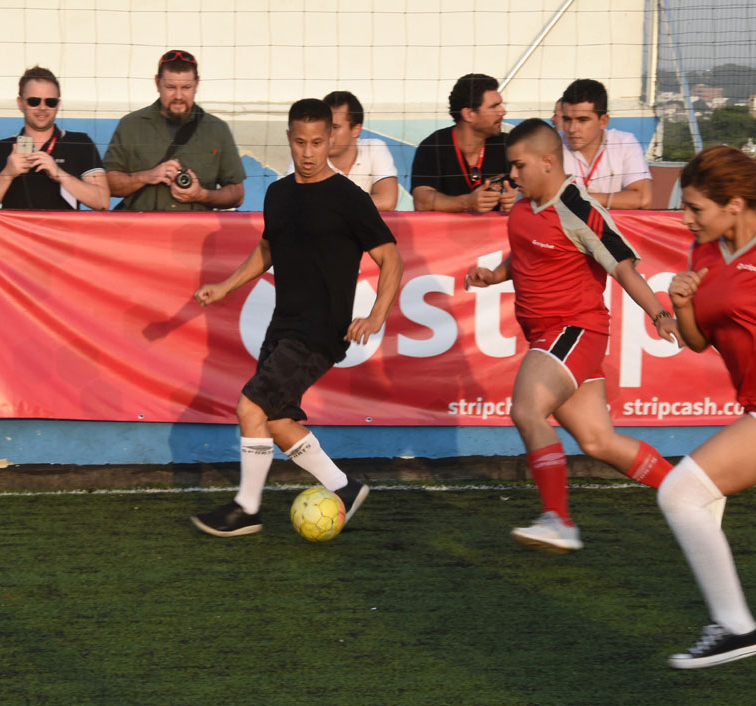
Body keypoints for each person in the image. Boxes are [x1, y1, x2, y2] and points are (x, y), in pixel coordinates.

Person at [189, 98, 403, 536]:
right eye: (301, 142)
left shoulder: (348, 197)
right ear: (289, 138)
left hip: (321, 331)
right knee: (275, 420)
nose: (308, 152)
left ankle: (246, 510)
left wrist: (377, 315)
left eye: (318, 142)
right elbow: (269, 248)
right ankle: (344, 488)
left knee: (250, 406)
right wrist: (226, 286)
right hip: (283, 324)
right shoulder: (279, 192)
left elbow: (392, 258)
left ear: (332, 140)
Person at [464, 119, 680, 552]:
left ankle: (558, 520)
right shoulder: (525, 208)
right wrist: (494, 276)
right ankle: (689, 490)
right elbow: (526, 254)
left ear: (547, 162)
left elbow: (622, 267)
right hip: (551, 337)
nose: (513, 175)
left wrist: (659, 314)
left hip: (575, 331)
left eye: (519, 165)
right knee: (597, 441)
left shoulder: (578, 208)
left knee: (526, 409)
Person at [659, 146, 756, 669]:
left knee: (680, 493)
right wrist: (682, 306)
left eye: (694, 208)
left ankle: (733, 625)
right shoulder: (703, 252)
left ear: (733, 203)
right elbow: (700, 342)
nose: (685, 219)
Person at [103, 50, 245, 211]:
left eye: (186, 87)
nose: (178, 96)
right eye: (170, 87)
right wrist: (147, 176)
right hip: (141, 232)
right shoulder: (131, 125)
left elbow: (237, 194)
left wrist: (201, 195)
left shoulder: (217, 129)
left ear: (197, 84)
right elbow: (107, 184)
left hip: (195, 232)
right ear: (157, 83)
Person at [0, 66, 108, 210]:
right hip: (15, 232)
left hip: (62, 232)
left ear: (58, 104)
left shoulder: (80, 143)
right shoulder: (1, 148)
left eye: (50, 102)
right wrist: (7, 173)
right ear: (20, 103)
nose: (42, 107)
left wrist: (59, 173)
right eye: (34, 101)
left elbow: (102, 202)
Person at [410, 73, 517, 213]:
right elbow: (421, 201)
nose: (503, 111)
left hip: (499, 233)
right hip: (447, 234)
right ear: (468, 114)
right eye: (494, 106)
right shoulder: (434, 146)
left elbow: (537, 189)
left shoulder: (509, 144)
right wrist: (468, 202)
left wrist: (519, 200)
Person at [283, 91, 398, 212]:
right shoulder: (308, 156)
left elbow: (387, 201)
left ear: (356, 130)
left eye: (335, 127)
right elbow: (293, 202)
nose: (327, 133)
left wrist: (330, 205)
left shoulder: (374, 148)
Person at [558, 79, 652, 210]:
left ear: (603, 121)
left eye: (582, 120)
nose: (572, 129)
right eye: (567, 120)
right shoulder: (552, 144)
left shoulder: (624, 143)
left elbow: (643, 199)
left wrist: (582, 198)